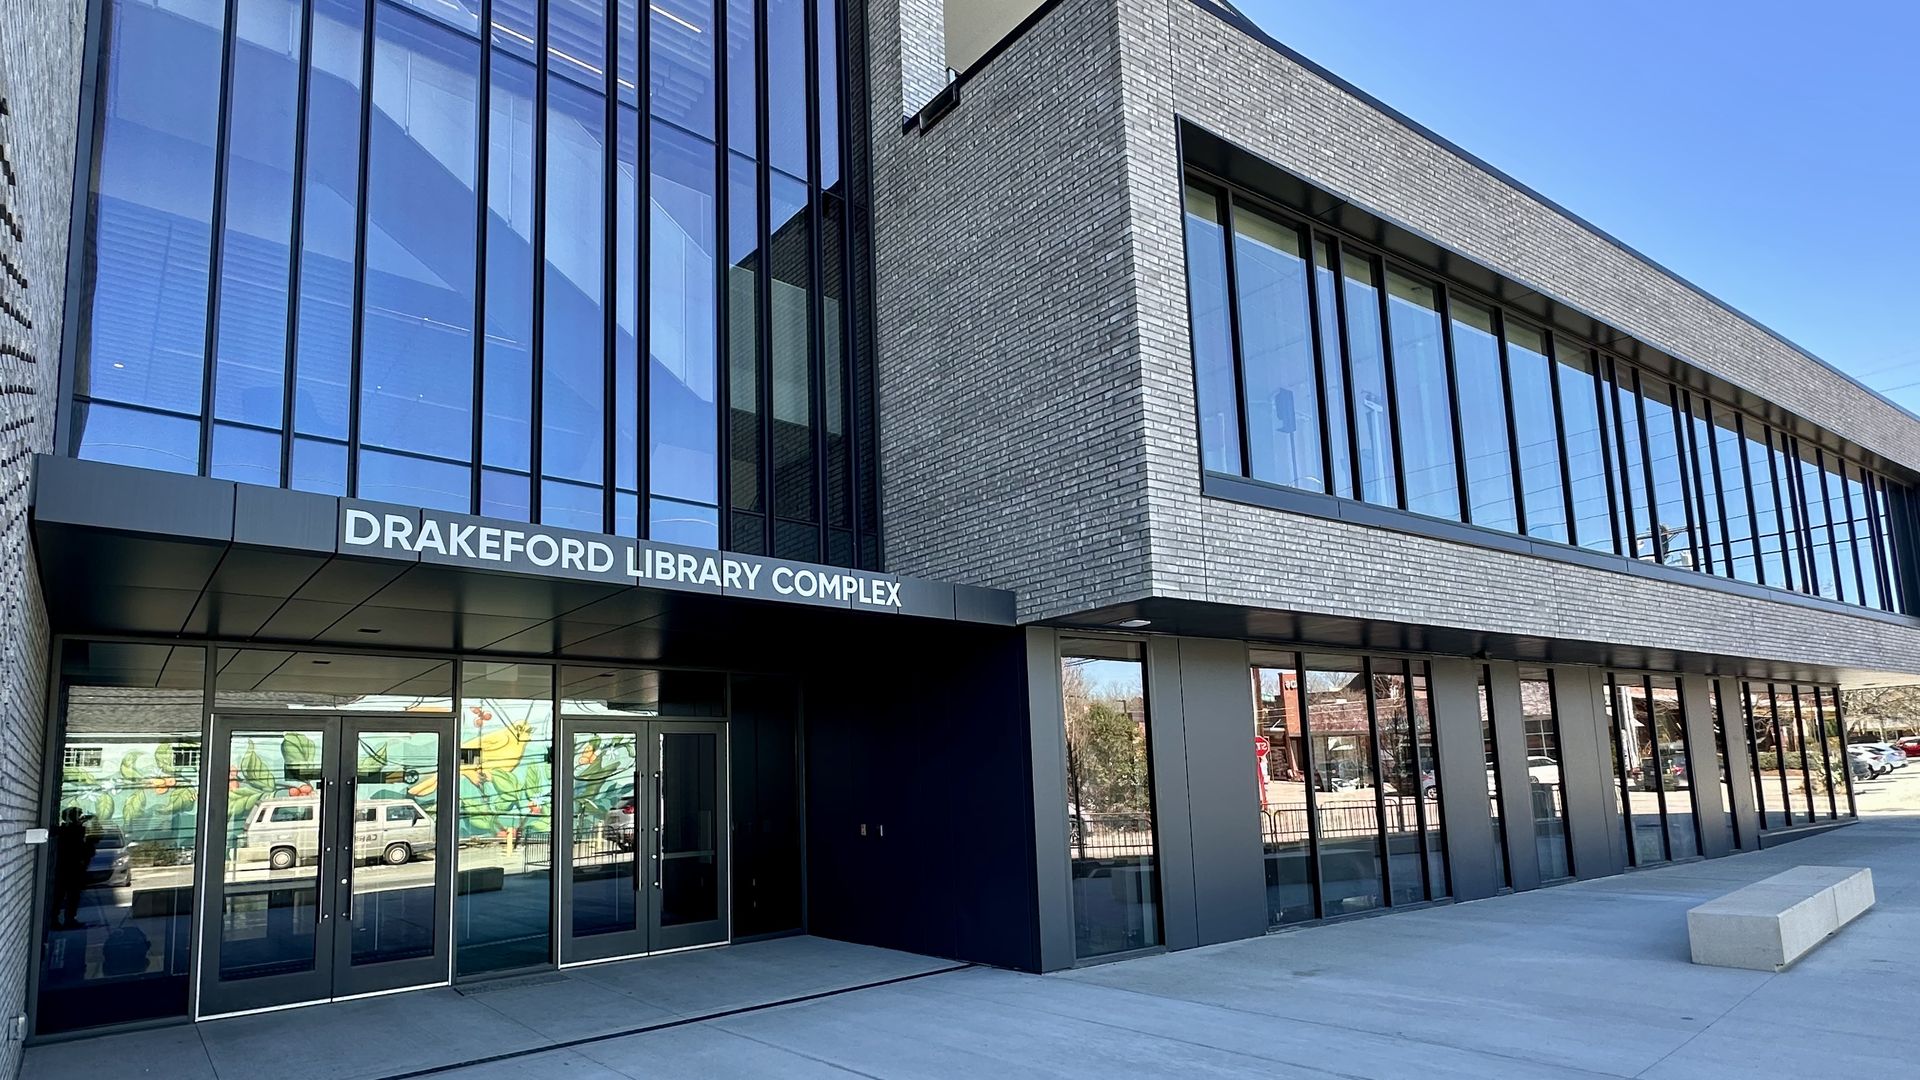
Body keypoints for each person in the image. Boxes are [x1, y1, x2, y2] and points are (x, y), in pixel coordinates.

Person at [51, 806, 98, 929]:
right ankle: (56, 919)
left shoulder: (74, 831)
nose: (81, 818)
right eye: (79, 816)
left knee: (72, 896)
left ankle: (68, 919)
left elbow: (87, 848)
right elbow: (78, 847)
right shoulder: (67, 831)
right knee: (62, 895)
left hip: (73, 869)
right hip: (67, 869)